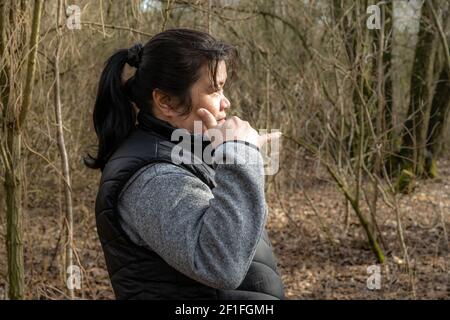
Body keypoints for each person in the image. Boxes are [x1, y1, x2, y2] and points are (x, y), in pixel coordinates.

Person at [85, 28, 285, 300]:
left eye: (223, 87)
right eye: (214, 90)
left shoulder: (185, 153)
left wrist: (234, 156)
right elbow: (222, 265)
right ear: (165, 101)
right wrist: (239, 155)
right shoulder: (153, 178)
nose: (226, 102)